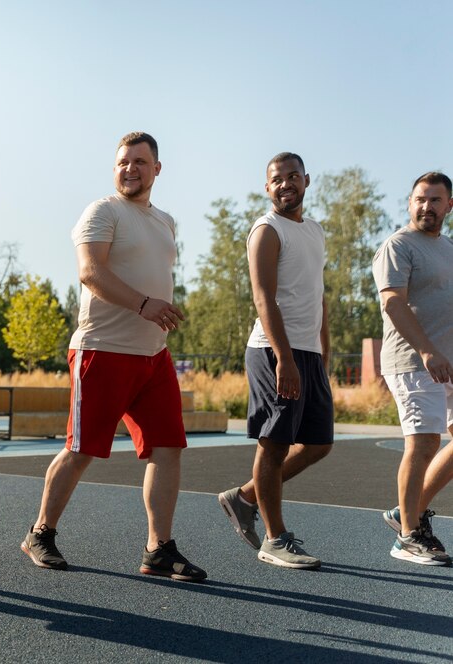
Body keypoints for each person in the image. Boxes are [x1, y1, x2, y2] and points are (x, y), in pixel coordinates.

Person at [20, 132, 206, 582]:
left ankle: (158, 548)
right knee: (81, 449)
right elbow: (90, 271)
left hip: (153, 355)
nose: (130, 169)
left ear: (156, 169)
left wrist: (155, 312)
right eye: (124, 161)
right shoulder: (102, 211)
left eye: (140, 162)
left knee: (168, 449)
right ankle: (40, 533)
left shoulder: (165, 222)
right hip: (102, 351)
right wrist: (144, 304)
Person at [217, 152, 331, 570]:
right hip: (272, 349)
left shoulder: (315, 231)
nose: (286, 184)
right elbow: (263, 297)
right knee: (276, 441)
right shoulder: (266, 230)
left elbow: (318, 296)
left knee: (319, 443)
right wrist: (283, 357)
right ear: (268, 188)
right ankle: (274, 538)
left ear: (306, 180)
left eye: (293, 177)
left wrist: (324, 352)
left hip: (309, 352)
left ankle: (245, 497)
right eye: (277, 179)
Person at [372, 171, 453, 566]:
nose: (427, 206)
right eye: (420, 199)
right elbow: (392, 303)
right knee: (422, 444)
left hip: (448, 363)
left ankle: (408, 513)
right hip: (414, 361)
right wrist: (426, 351)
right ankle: (408, 535)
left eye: (435, 200)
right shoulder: (398, 246)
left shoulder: (449, 248)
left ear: (449, 206)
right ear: (409, 203)